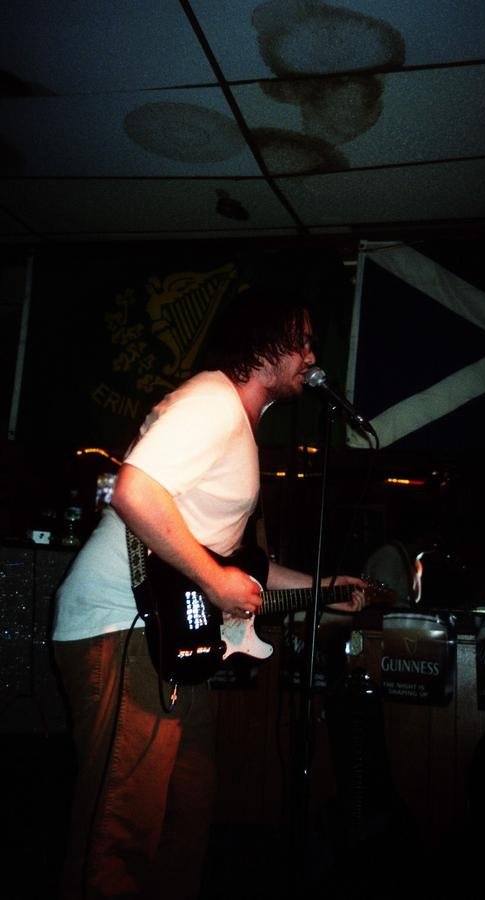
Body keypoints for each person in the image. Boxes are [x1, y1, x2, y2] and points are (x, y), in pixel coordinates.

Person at [52, 287, 366, 900]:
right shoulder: (212, 402)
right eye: (301, 342)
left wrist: (324, 589)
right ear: (265, 344)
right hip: (123, 628)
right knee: (122, 830)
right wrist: (215, 581)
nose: (311, 357)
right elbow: (134, 492)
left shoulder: (237, 426)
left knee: (183, 820)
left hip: (170, 642)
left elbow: (242, 565)